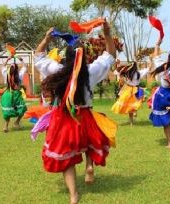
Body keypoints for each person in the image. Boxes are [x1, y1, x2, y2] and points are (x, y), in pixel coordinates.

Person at [34, 20, 116, 204]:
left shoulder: (57, 70)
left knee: (66, 159)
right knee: (88, 143)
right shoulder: (91, 71)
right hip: (85, 115)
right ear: (85, 57)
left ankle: (73, 195)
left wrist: (46, 39)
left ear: (67, 56)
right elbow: (110, 55)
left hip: (63, 118)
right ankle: (89, 166)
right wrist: (108, 34)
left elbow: (38, 57)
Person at [0, 56, 27, 132]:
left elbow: (2, 66)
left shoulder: (6, 75)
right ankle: (17, 122)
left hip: (8, 95)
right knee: (22, 108)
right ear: (17, 70)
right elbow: (25, 67)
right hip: (17, 95)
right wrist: (21, 60)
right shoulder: (19, 76)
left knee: (7, 111)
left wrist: (7, 59)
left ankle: (6, 126)